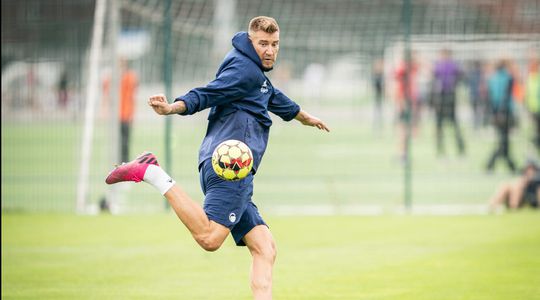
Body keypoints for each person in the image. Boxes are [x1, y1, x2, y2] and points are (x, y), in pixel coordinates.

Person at [105, 16, 329, 300]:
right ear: (251, 42)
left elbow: (271, 94)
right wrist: (175, 107)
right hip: (231, 167)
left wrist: (304, 117)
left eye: (274, 44)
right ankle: (152, 172)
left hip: (225, 163)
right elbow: (209, 93)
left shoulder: (254, 73)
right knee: (210, 238)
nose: (270, 50)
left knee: (264, 247)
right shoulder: (244, 70)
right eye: (263, 44)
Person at [432, 48, 465, 156]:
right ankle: (441, 149)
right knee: (440, 125)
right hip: (441, 99)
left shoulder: (450, 66)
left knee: (453, 125)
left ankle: (460, 148)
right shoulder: (440, 66)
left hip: (448, 98)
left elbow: (460, 77)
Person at [486, 59, 517, 173]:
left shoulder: (492, 79)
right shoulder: (508, 78)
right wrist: (502, 113)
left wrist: (494, 114)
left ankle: (508, 165)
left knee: (503, 140)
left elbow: (490, 98)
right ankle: (494, 164)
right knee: (504, 141)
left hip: (496, 113)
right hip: (506, 113)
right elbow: (506, 97)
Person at [119, 59, 138, 162]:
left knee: (125, 143)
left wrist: (132, 114)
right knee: (117, 142)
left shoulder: (130, 77)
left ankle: (124, 163)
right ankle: (119, 162)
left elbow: (132, 96)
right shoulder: (115, 78)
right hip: (117, 116)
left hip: (126, 115)